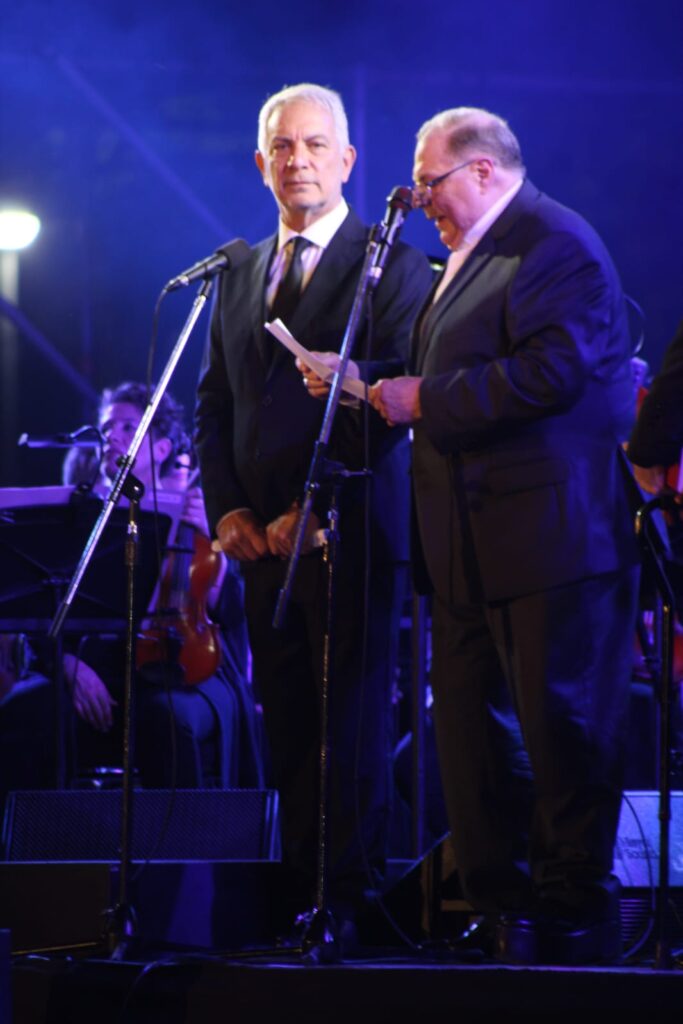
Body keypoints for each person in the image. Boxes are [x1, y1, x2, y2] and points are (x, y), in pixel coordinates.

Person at [364, 107, 641, 965]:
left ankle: (571, 911)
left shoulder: (553, 243)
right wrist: (365, 383)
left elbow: (551, 373)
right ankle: (499, 908)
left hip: (549, 539)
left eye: (429, 183)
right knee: (471, 740)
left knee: (561, 731)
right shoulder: (472, 253)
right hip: (467, 543)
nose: (419, 202)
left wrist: (423, 399)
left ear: (482, 170)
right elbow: (457, 370)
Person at [194, 82, 433, 947]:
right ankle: (299, 901)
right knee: (287, 720)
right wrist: (229, 509)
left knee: (350, 726)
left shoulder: (394, 264)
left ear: (347, 160)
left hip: (351, 532)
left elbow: (397, 399)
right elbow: (214, 404)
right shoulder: (238, 271)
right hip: (261, 545)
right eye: (283, 147)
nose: (298, 160)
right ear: (262, 163)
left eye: (314, 145)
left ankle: (348, 907)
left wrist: (310, 507)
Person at [64, 381, 264, 790]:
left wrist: (212, 541)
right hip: (101, 666)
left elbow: (228, 609)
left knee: (165, 717)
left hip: (186, 668)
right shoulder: (81, 516)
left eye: (128, 427)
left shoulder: (192, 514)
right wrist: (69, 666)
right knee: (25, 711)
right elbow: (51, 608)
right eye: (107, 427)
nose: (112, 436)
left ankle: (181, 831)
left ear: (161, 449)